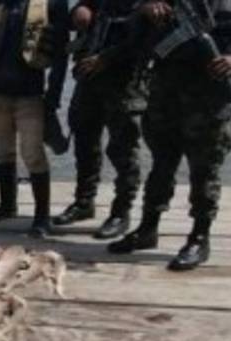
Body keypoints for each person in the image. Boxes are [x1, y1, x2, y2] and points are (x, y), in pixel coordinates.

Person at [108, 0, 231, 270]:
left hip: (211, 84)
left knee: (205, 166)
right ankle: (147, 228)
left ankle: (199, 238)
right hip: (166, 82)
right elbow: (129, 14)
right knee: (161, 161)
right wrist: (147, 7)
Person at [51, 0, 148, 239]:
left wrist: (105, 58)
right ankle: (84, 202)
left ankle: (120, 213)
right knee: (84, 142)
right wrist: (79, 10)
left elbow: (146, 40)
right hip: (90, 78)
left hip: (125, 83)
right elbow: (81, 11)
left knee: (123, 151)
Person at [0, 0, 69, 237]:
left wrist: (54, 96)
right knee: (2, 152)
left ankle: (42, 218)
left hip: (30, 94)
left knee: (33, 155)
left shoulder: (51, 4)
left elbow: (60, 55)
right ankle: (7, 205)